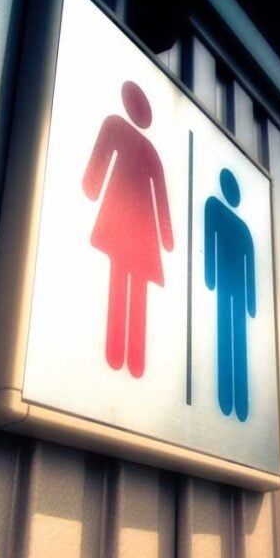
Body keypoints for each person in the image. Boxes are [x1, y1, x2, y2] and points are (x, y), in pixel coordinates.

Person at [82, 81, 173, 378]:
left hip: (127, 221)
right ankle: (127, 358)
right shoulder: (132, 138)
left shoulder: (121, 130)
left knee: (123, 277)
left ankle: (125, 357)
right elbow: (160, 197)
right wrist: (166, 238)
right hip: (134, 225)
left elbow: (160, 194)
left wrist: (93, 186)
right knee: (129, 281)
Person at [204, 169, 256, 421]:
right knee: (229, 336)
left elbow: (250, 265)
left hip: (230, 289)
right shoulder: (216, 210)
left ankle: (236, 402)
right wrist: (210, 277)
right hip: (229, 289)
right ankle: (228, 399)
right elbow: (210, 242)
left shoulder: (236, 224)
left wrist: (211, 277)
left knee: (232, 336)